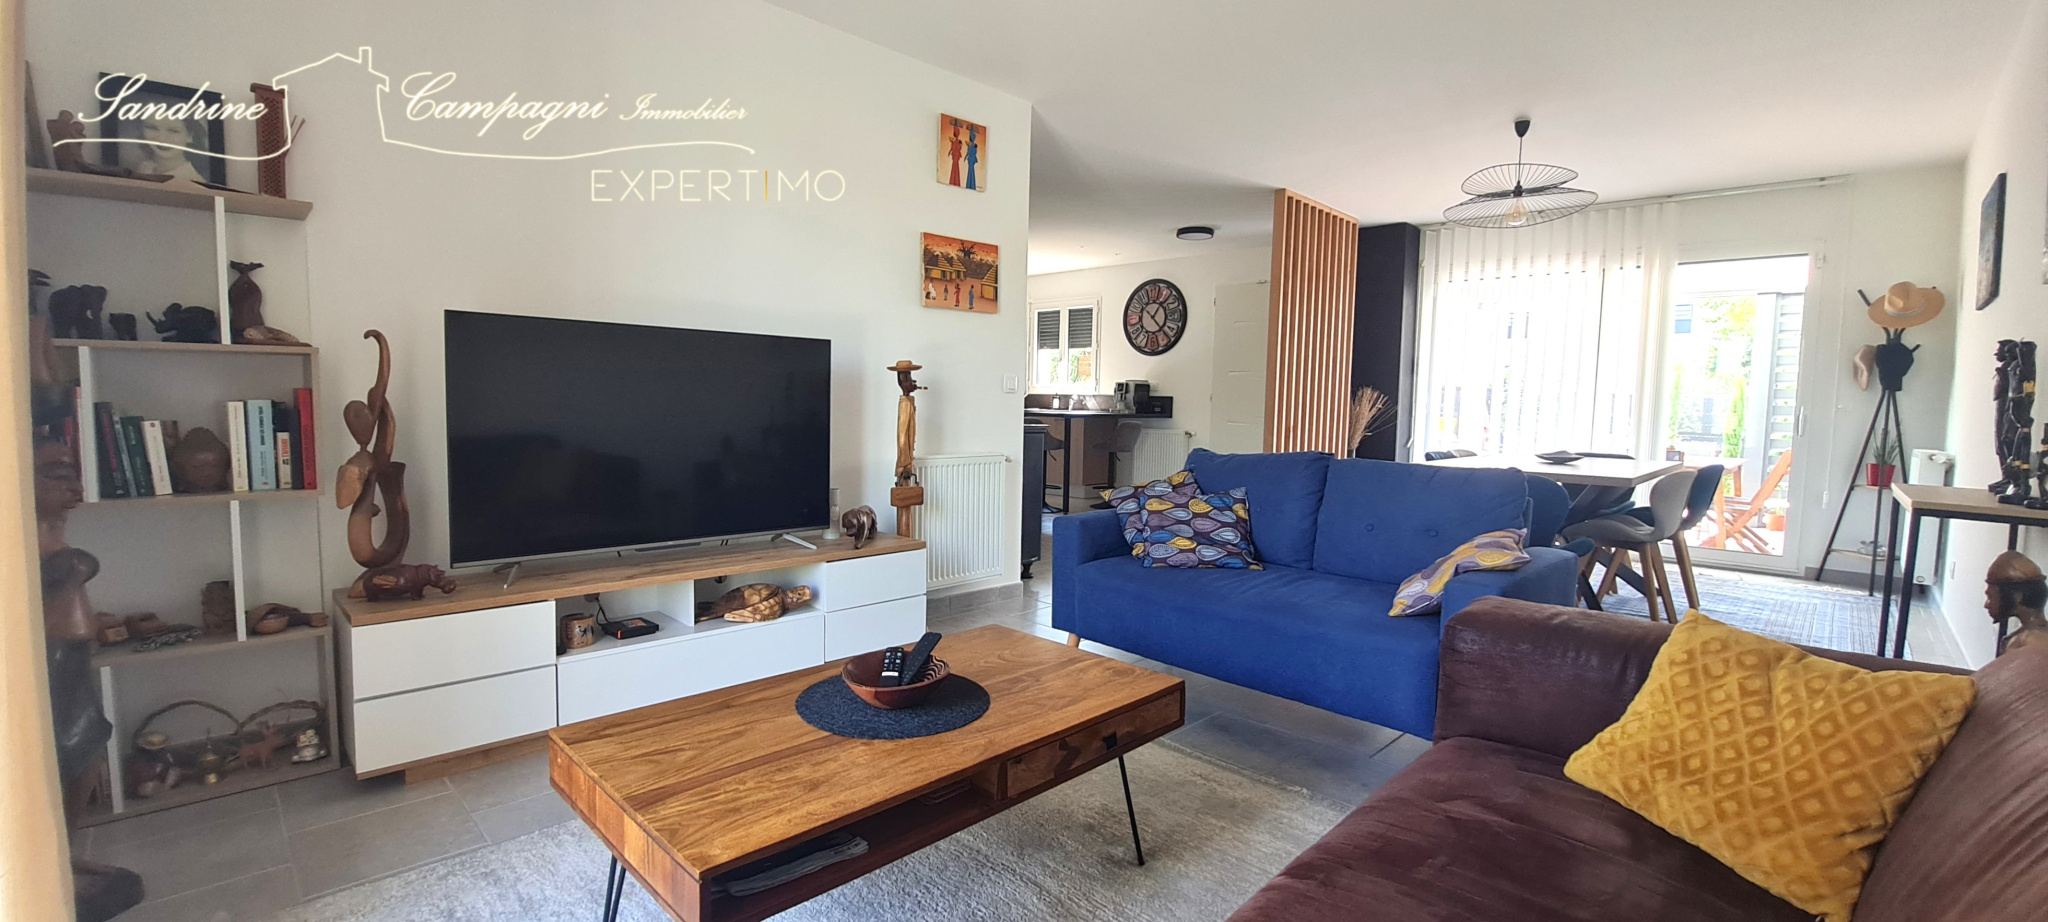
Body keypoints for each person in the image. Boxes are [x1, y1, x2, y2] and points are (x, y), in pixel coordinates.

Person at [1985, 549, 2048, 654]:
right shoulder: (2015, 639)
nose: (1986, 605)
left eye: (1990, 597)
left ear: (2017, 596)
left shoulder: (2025, 642)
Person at [123, 115, 207, 183]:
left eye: (173, 131)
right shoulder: (143, 168)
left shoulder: (194, 182)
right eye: (152, 128)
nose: (162, 139)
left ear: (190, 136)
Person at [946, 122, 963, 187]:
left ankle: (954, 180)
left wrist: (950, 151)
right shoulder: (958, 142)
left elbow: (953, 148)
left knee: (954, 166)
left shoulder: (956, 142)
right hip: (956, 155)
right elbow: (957, 148)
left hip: (955, 155)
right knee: (956, 166)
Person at [964, 125, 980, 190]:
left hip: (971, 159)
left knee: (970, 170)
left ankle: (970, 183)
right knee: (971, 170)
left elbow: (970, 152)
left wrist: (967, 155)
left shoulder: (972, 146)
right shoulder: (972, 145)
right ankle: (971, 183)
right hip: (971, 159)